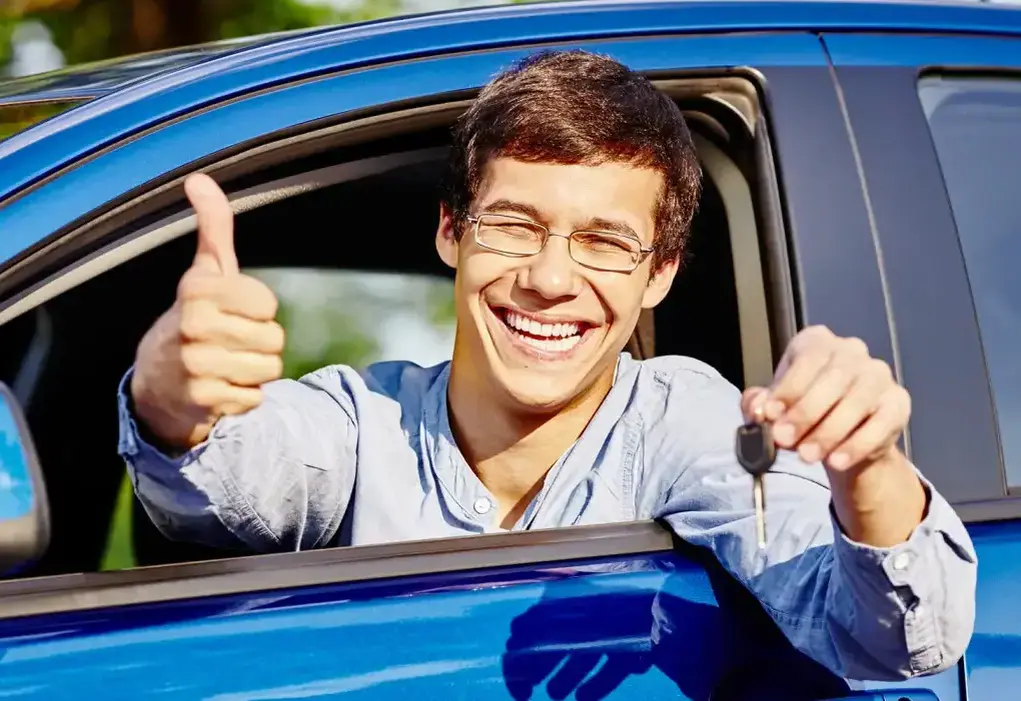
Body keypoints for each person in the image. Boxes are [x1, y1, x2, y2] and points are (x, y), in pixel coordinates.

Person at [117, 49, 976, 681]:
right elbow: (229, 477)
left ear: (660, 274)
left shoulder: (685, 422)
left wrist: (868, 472)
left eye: (604, 242)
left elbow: (900, 641)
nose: (550, 280)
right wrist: (170, 395)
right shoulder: (360, 417)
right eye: (513, 226)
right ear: (451, 232)